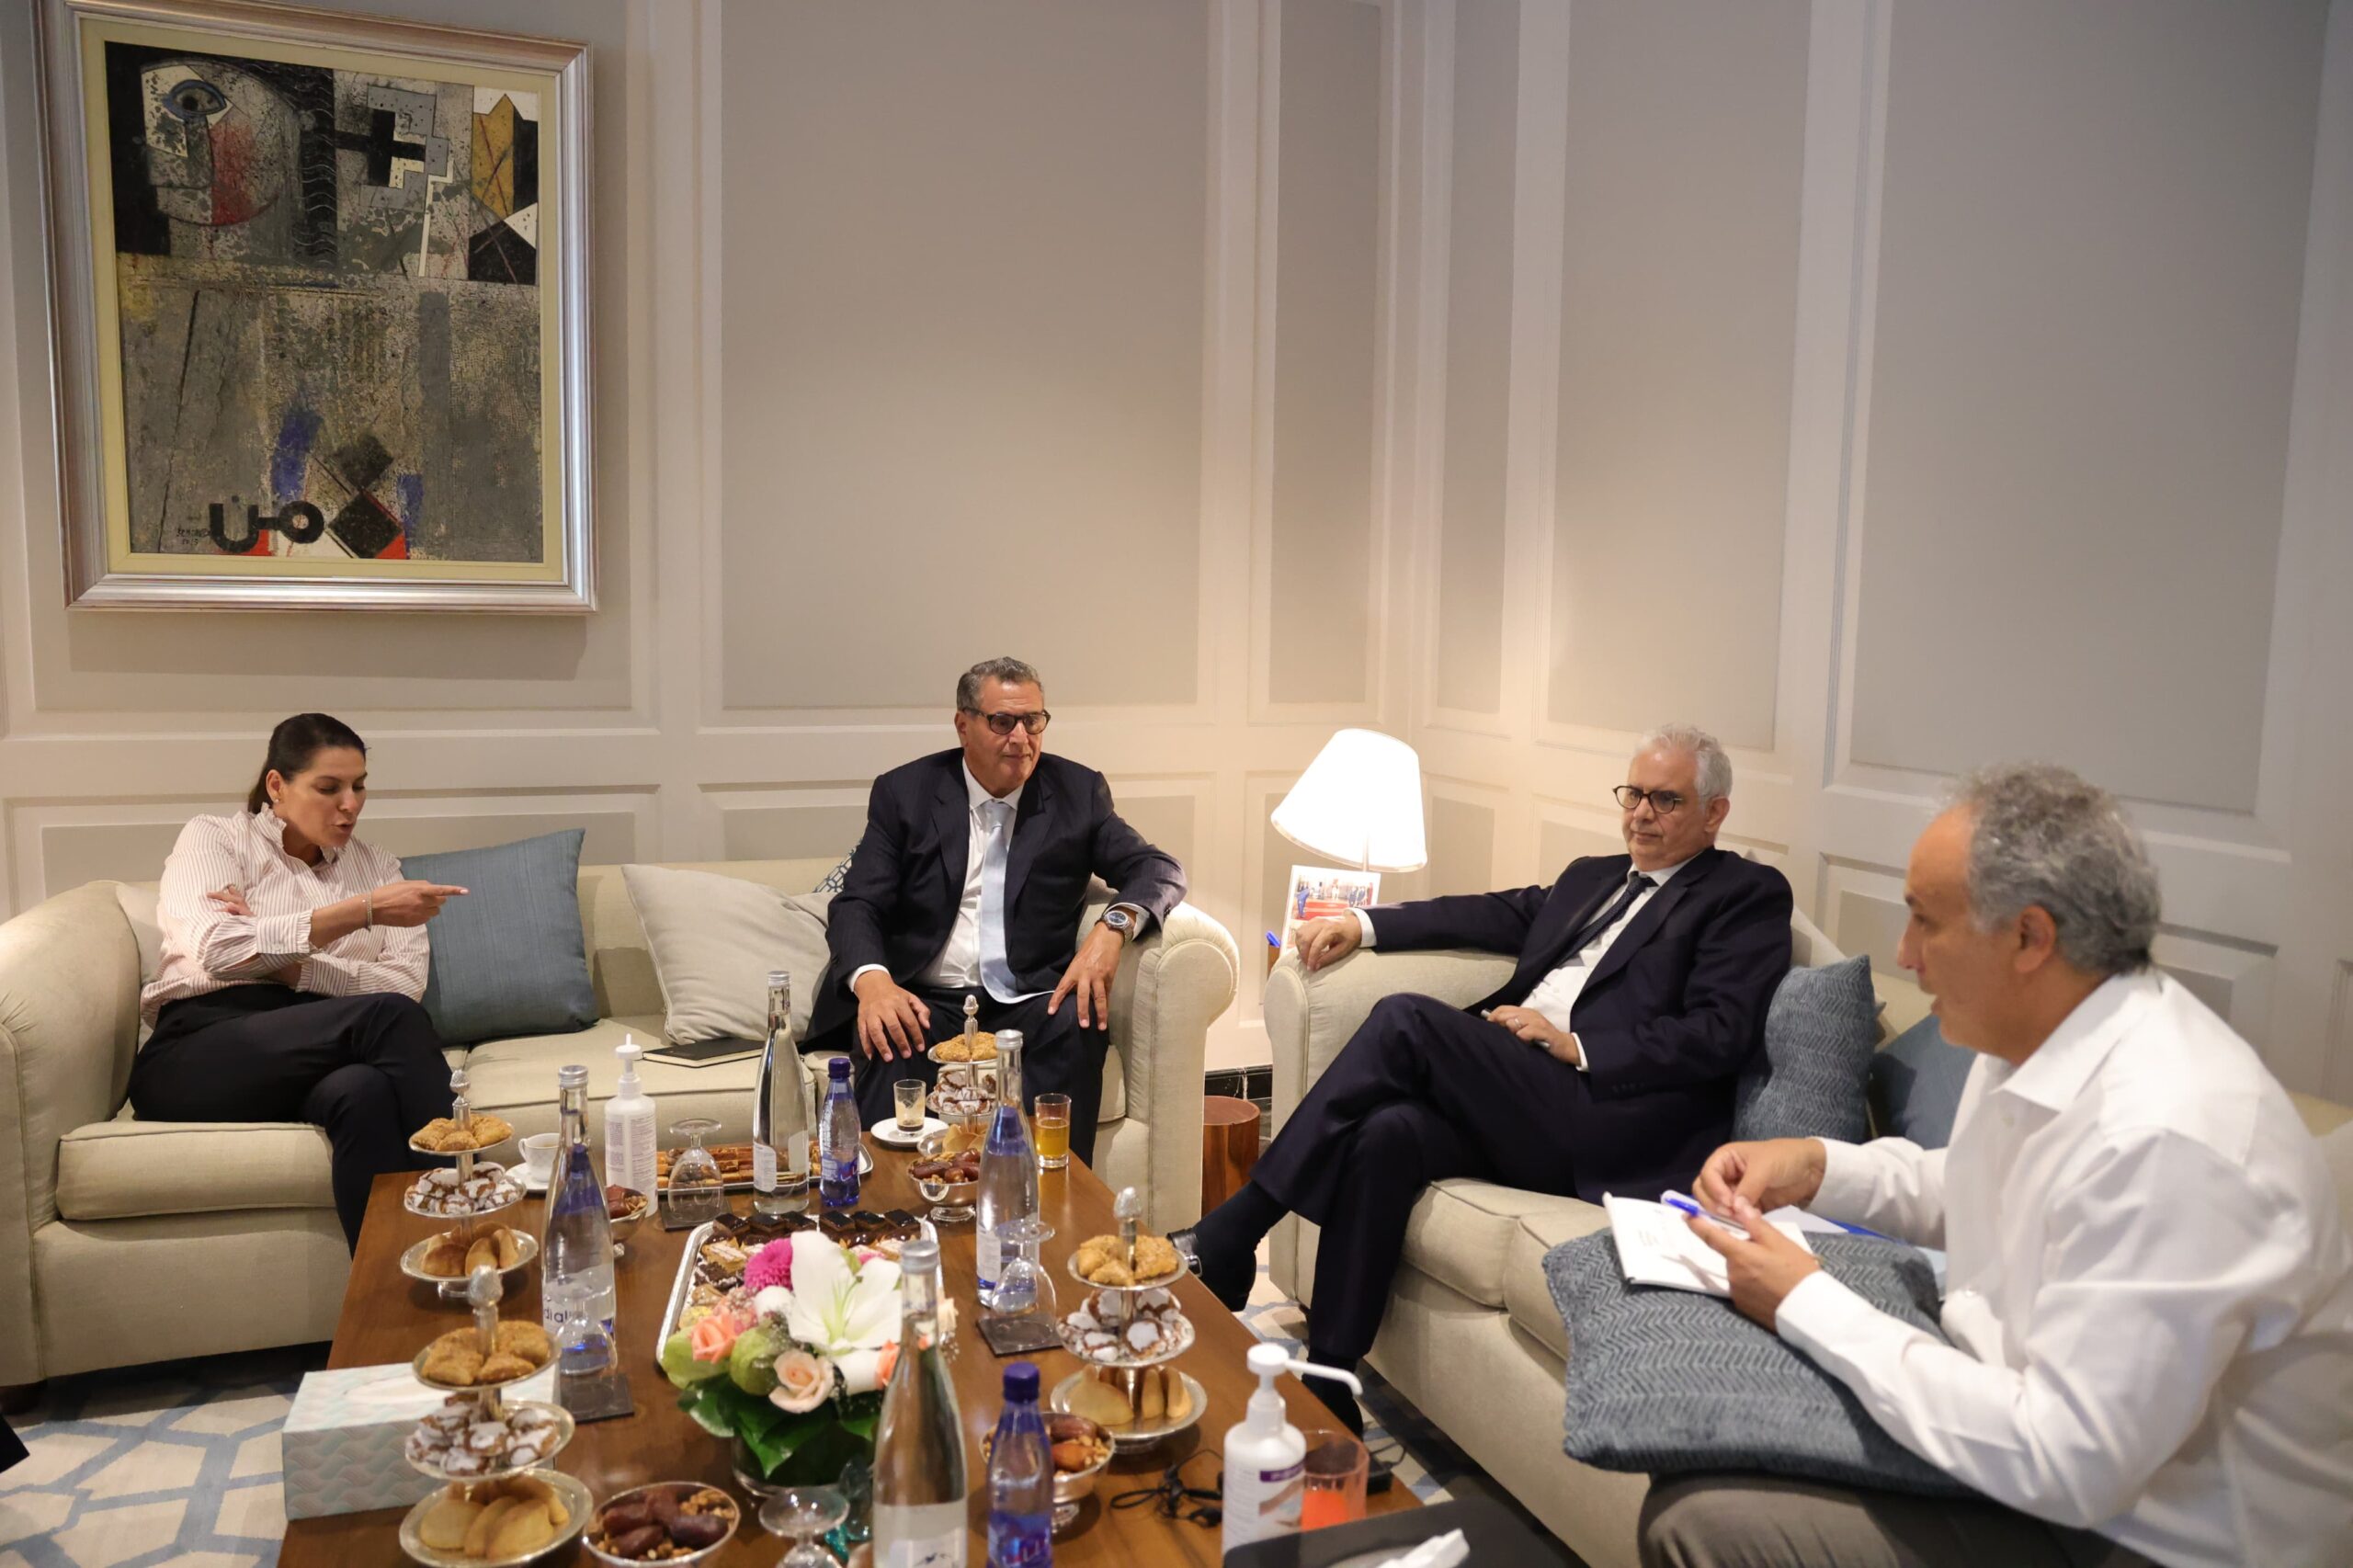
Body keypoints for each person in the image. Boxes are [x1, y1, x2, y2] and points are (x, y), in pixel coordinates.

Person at [1648, 764, 2353, 1568]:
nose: (1905, 954)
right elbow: (1979, 1186)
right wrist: (1815, 1166)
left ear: (2029, 938)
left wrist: (1807, 1301)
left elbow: (2071, 1463)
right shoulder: (2038, 1034)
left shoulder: (2170, 1137)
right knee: (1695, 1428)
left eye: (1924, 921)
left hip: (2144, 1534)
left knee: (1701, 1521)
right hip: (2036, 1437)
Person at [1178, 723, 1793, 1435]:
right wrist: (1364, 922)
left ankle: (1236, 1230)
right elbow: (1489, 913)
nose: (1641, 814)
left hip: (1607, 1116)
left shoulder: (1743, 895)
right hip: (1525, 1097)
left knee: (1406, 1019)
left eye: (1666, 800)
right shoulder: (1595, 877)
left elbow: (1719, 1032)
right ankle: (1331, 1379)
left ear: (1715, 813)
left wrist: (1578, 1045)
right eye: (1633, 794)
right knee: (1388, 1134)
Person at [809, 658, 1186, 1164]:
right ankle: (890, 1200)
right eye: (1003, 722)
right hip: (925, 996)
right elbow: (858, 902)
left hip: (1030, 997)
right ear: (963, 725)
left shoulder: (1077, 792)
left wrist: (1113, 926)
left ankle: (1053, 1186)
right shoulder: (905, 793)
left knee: (1078, 1021)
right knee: (888, 1029)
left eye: (1033, 721)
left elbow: (1158, 868)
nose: (1021, 738)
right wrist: (873, 983)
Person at [131, 714, 472, 1249]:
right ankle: (475, 1217)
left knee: (363, 1091)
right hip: (197, 1050)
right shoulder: (216, 838)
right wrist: (361, 912)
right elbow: (217, 949)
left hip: (312, 1049)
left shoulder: (378, 867)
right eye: (329, 788)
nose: (350, 804)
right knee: (385, 1020)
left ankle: (402, 1284)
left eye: (359, 786)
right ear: (277, 786)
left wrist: (281, 958)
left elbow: (404, 984)